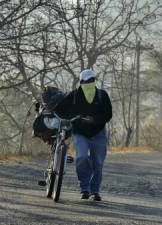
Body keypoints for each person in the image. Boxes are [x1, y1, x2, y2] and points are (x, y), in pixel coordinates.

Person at [54, 69, 112, 201]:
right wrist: (66, 118)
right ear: (81, 82)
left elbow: (108, 113)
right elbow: (60, 109)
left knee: (98, 162)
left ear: (95, 81)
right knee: (81, 158)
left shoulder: (102, 95)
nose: (89, 83)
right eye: (85, 81)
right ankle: (84, 188)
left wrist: (95, 120)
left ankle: (94, 191)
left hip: (99, 133)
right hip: (80, 132)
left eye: (91, 80)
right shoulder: (74, 96)